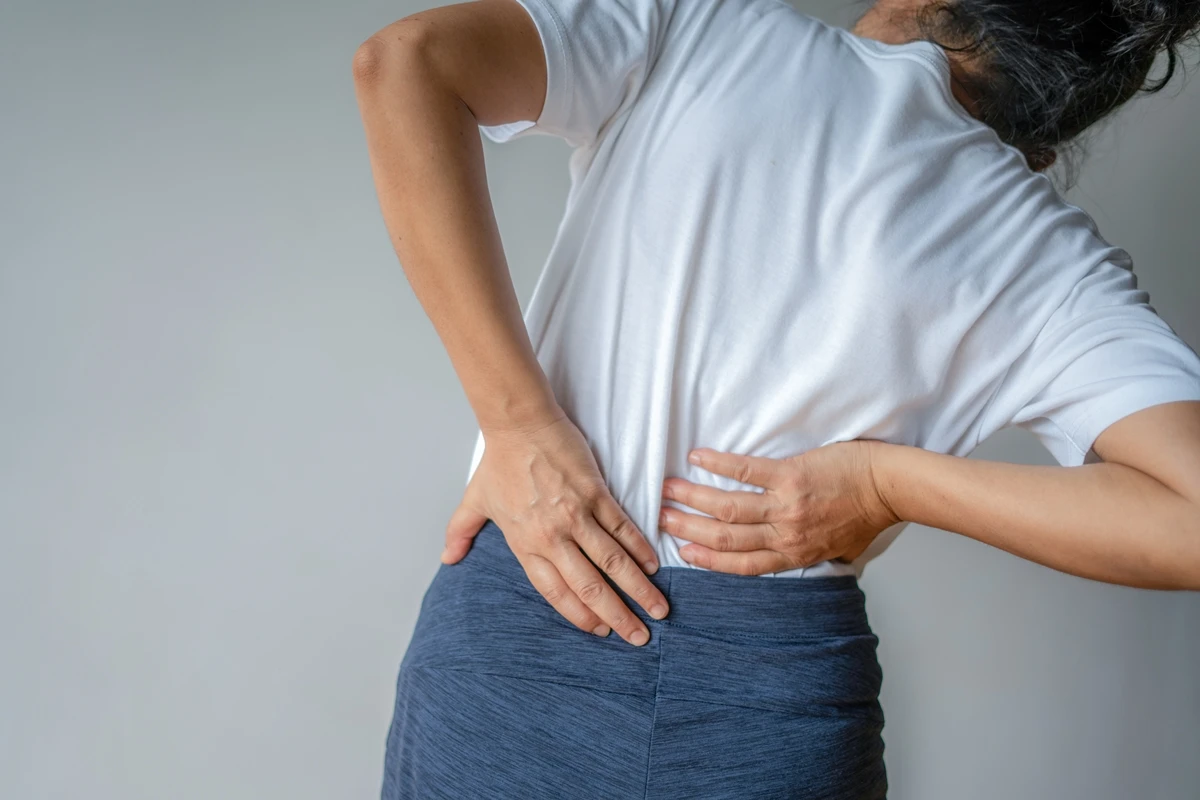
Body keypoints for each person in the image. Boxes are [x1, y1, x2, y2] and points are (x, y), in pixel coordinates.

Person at [352, 0, 1200, 795]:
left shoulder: (701, 29)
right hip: (776, 698)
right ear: (1056, 122)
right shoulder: (1044, 253)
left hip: (525, 628)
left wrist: (519, 424)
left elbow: (406, 62)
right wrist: (885, 483)